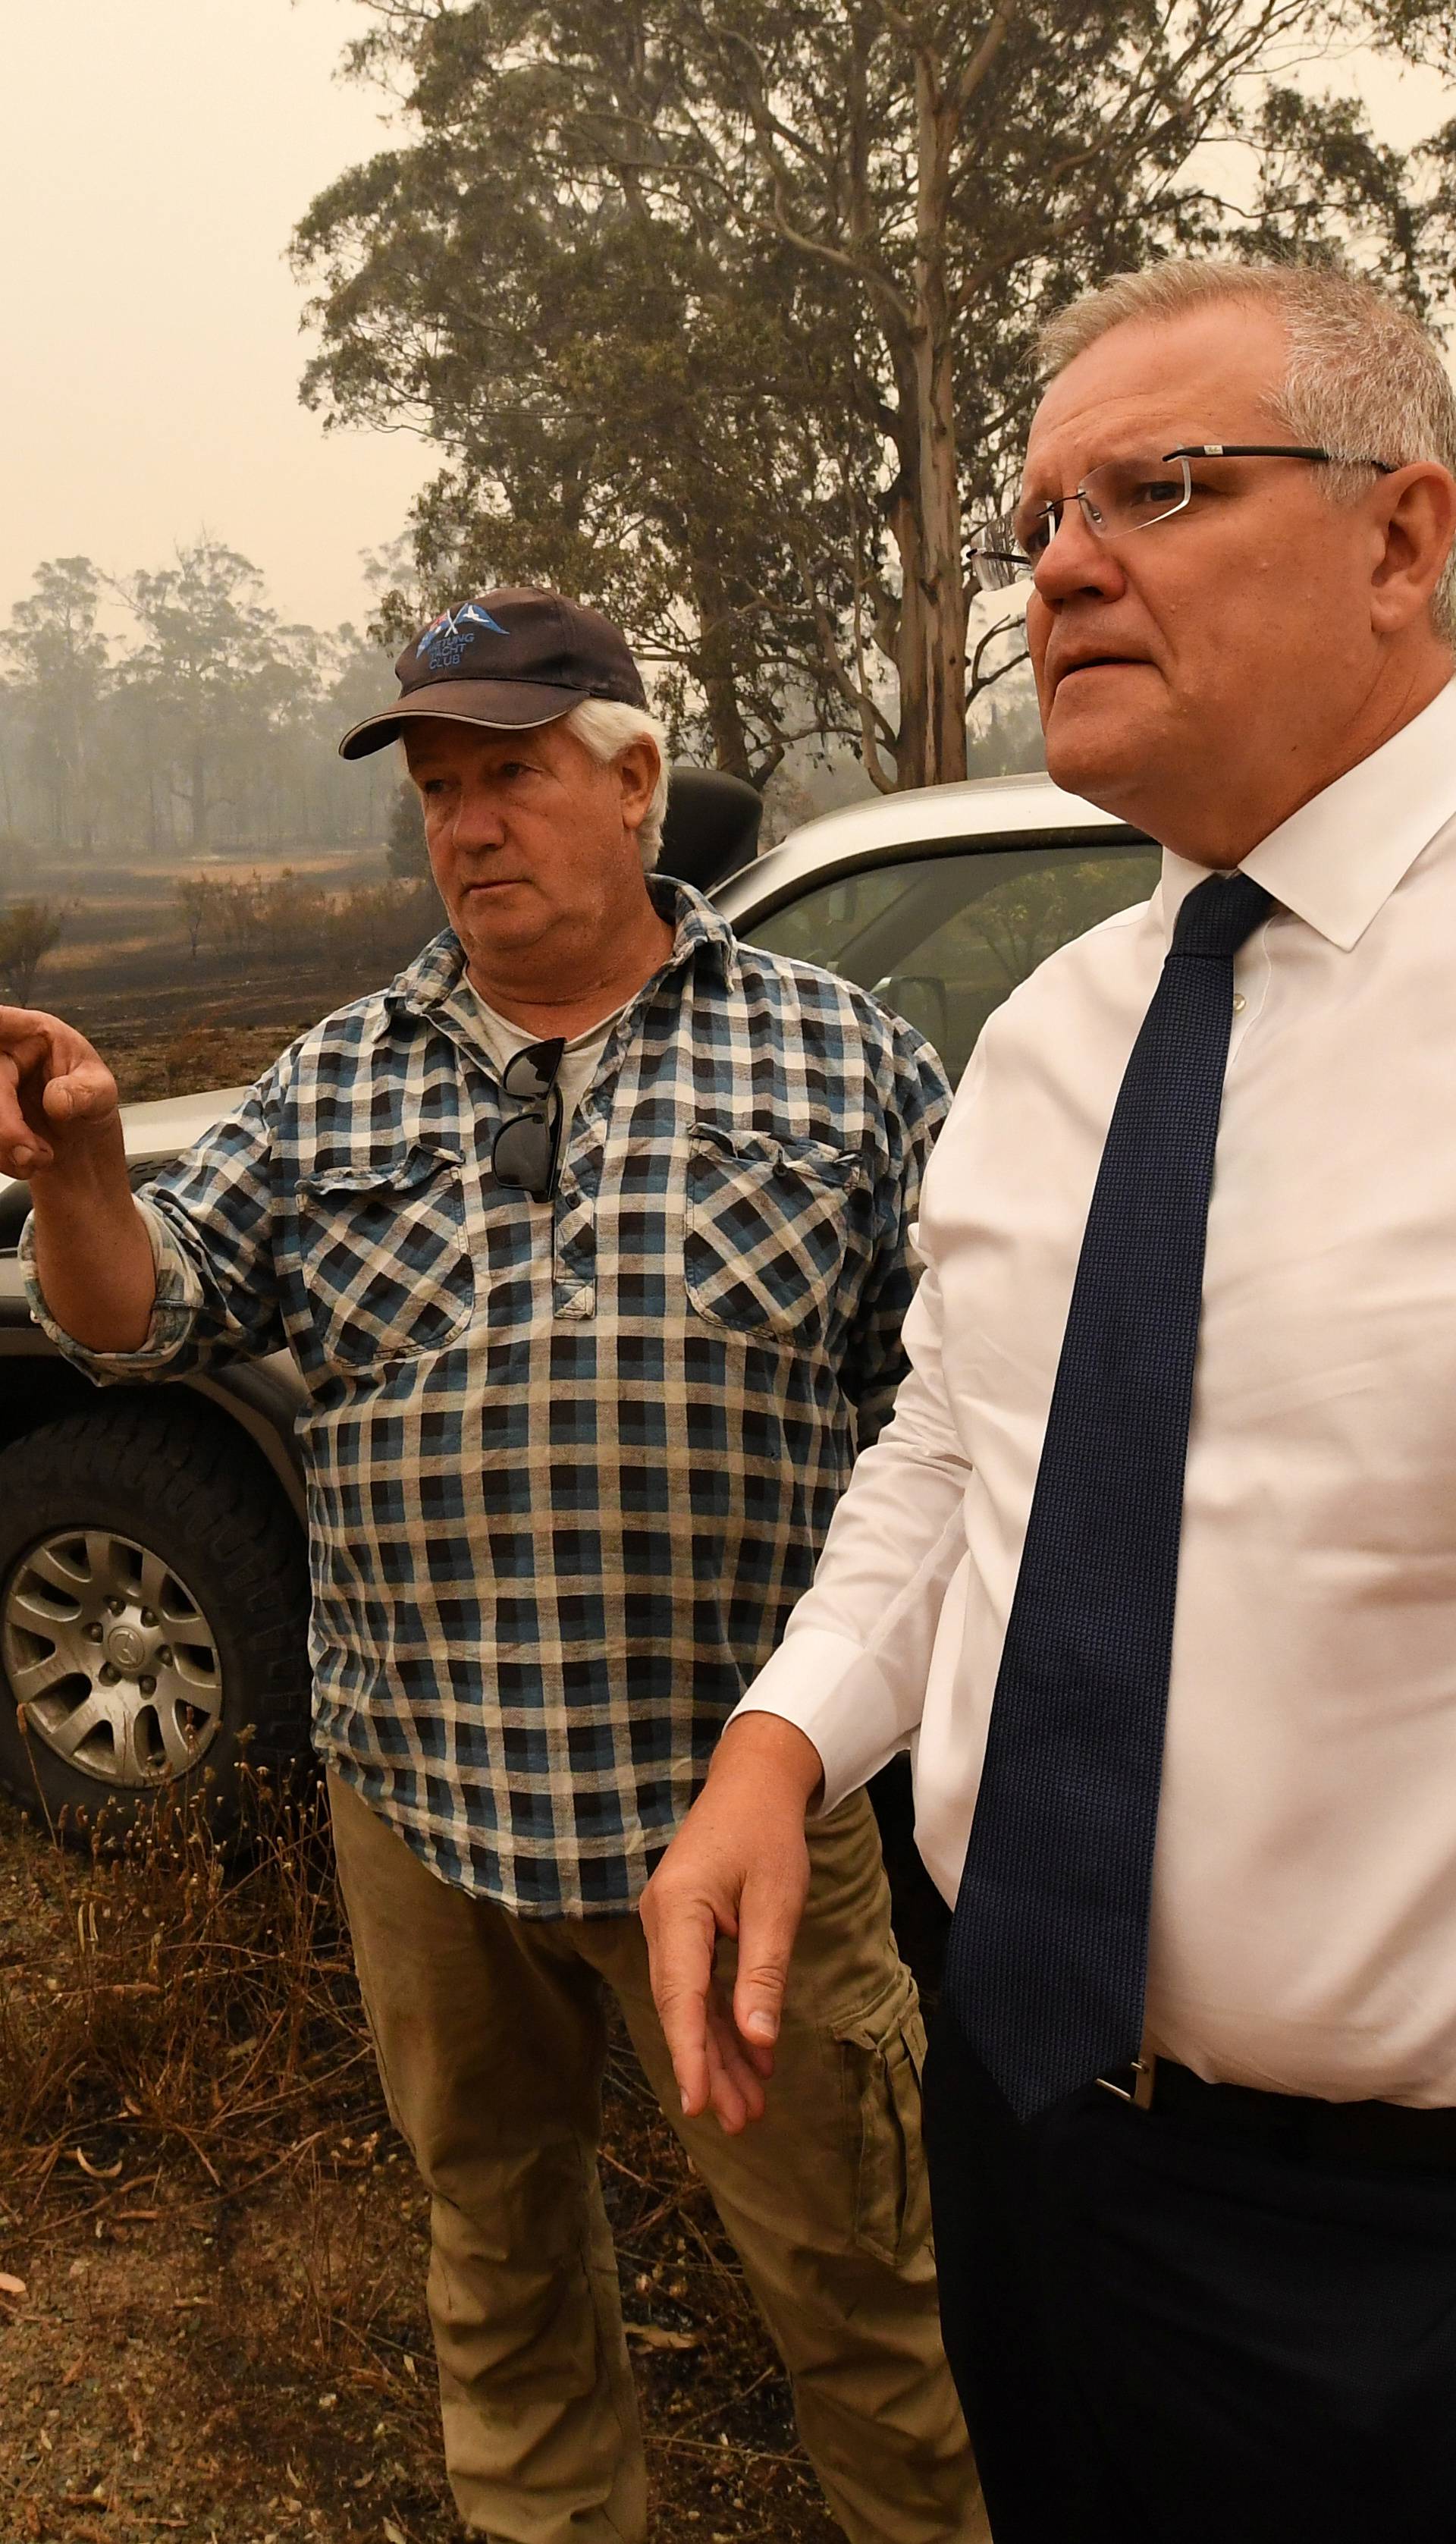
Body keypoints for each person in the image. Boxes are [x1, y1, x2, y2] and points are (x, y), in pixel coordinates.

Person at [1, 585, 977, 2544]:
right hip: (425, 1809)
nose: (466, 823)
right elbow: (140, 1321)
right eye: (439, 787)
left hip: (740, 1820)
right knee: (501, 2266)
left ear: (631, 785)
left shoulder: (845, 1065)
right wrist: (88, 1183)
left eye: (510, 774)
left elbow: (950, 1428)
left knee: (862, 2295)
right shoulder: (338, 1077)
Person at [641, 260, 1456, 2542]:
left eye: (1161, 488)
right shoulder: (1060, 1032)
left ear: (1405, 536)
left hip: (1395, 2257)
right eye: (1036, 523)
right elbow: (960, 1446)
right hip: (1034, 2158)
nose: (1063, 563)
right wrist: (785, 1737)